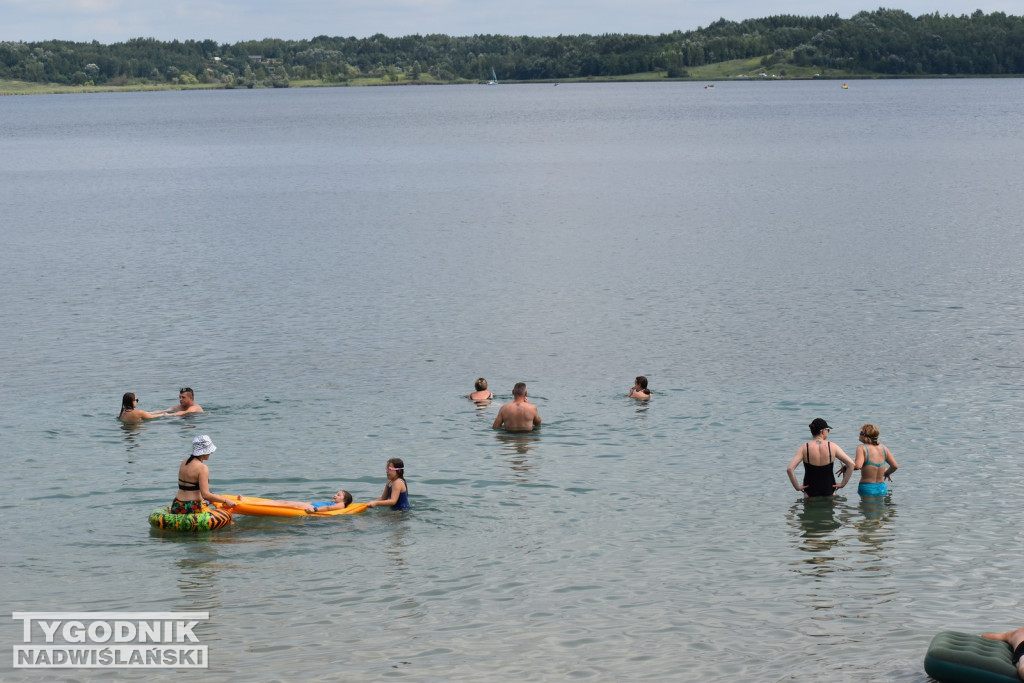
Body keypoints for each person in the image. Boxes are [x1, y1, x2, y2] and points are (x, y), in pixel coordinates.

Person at [786, 418, 855, 497]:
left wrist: (797, 487)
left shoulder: (804, 447)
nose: (828, 433)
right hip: (829, 490)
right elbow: (851, 464)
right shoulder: (832, 446)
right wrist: (843, 483)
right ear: (823, 431)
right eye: (828, 430)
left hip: (810, 492)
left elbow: (790, 469)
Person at [171, 435, 237, 513]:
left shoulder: (184, 462)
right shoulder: (202, 468)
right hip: (191, 507)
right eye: (210, 451)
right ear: (204, 452)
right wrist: (225, 500)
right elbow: (205, 495)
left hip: (177, 504)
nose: (211, 453)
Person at [854, 423, 898, 496]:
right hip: (882, 488)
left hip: (867, 488)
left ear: (865, 436)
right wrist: (887, 473)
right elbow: (895, 466)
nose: (859, 435)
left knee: (866, 507)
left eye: (861, 433)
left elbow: (858, 466)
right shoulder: (884, 448)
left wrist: (846, 467)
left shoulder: (861, 448)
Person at [253, 490, 353, 514]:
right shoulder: (337, 503)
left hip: (309, 507)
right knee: (281, 502)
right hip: (308, 504)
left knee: (282, 503)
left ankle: (250, 503)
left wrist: (314, 509)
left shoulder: (341, 505)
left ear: (344, 500)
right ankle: (252, 502)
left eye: (338, 495)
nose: (335, 495)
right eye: (336, 493)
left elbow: (328, 508)